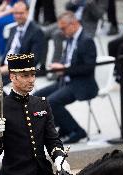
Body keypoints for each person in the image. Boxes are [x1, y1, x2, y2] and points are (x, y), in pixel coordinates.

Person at [0, 53, 71, 175]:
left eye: (33, 75)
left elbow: (52, 139)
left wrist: (59, 157)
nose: (31, 80)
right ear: (13, 77)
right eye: (25, 76)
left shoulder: (42, 104)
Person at [34, 11, 98, 144]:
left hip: (81, 83)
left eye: (63, 28)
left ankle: (77, 130)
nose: (62, 32)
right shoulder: (70, 38)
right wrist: (59, 66)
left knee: (51, 102)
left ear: (73, 24)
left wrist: (64, 69)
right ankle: (65, 127)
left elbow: (88, 68)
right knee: (37, 97)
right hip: (66, 80)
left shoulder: (86, 40)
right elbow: (67, 59)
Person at [0, 1, 45, 103]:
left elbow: (34, 59)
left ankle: (10, 109)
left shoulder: (36, 31)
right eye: (15, 13)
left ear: (27, 13)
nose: (18, 16)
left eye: (21, 13)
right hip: (4, 69)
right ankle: (8, 109)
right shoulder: (13, 29)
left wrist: (10, 67)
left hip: (20, 71)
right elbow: (8, 51)